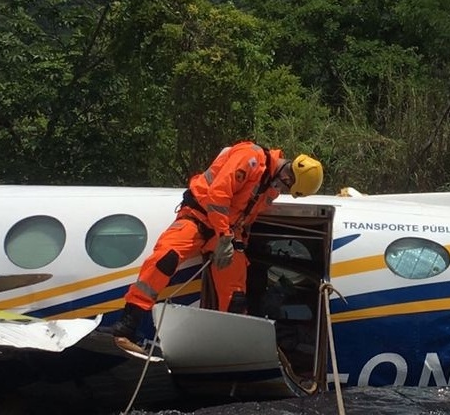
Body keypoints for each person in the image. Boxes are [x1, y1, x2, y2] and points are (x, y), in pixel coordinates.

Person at [110, 142, 324, 345]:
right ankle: (129, 323)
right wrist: (224, 236)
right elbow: (217, 196)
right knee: (165, 258)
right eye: (287, 182)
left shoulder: (271, 188)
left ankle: (228, 344)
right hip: (198, 219)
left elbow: (247, 218)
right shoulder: (250, 158)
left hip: (227, 233)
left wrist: (236, 243)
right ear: (289, 170)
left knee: (236, 293)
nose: (283, 188)